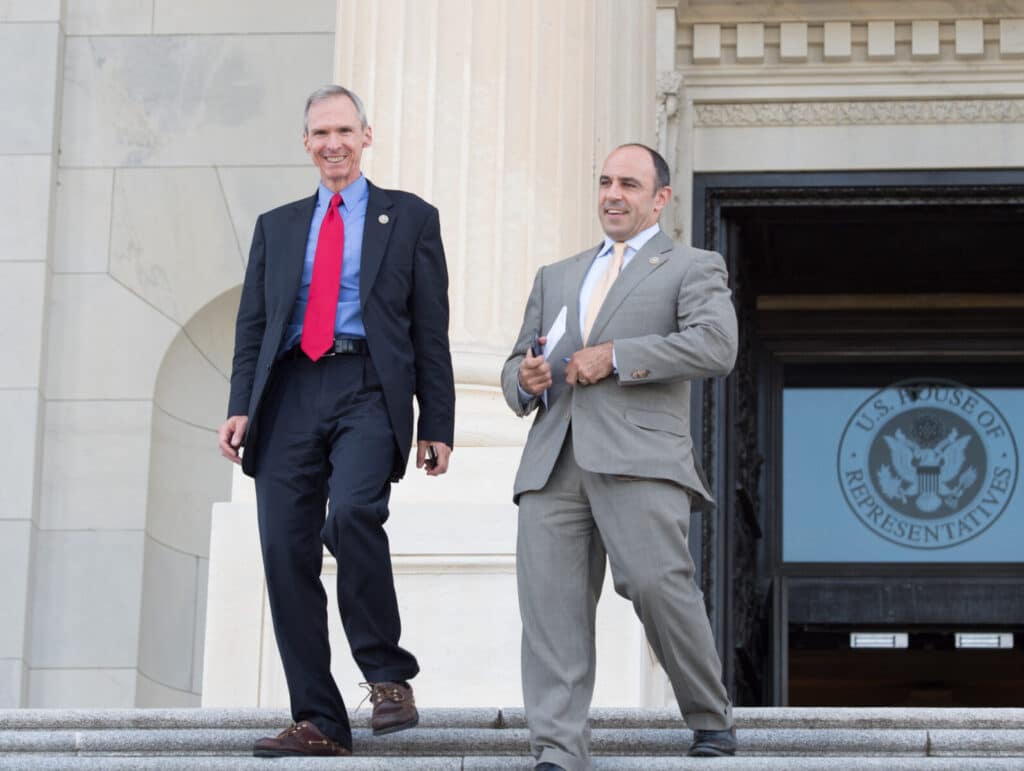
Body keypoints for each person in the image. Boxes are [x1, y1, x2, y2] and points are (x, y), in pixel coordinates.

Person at [218, 85, 455, 758]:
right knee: (284, 548)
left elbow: (429, 330)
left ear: (366, 136)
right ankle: (318, 717)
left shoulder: (408, 218)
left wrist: (436, 420)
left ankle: (386, 675)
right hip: (289, 390)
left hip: (367, 384)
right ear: (306, 144)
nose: (333, 144)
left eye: (344, 131)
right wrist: (241, 404)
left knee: (351, 513)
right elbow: (254, 326)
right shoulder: (278, 225)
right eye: (321, 133)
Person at [501, 143, 738, 770]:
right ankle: (558, 748)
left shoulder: (691, 265)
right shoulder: (558, 273)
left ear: (660, 197)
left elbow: (716, 346)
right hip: (553, 462)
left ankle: (710, 717)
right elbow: (518, 359)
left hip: (639, 457)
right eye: (605, 181)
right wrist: (521, 381)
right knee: (550, 609)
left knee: (659, 587)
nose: (613, 194)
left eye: (629, 184)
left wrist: (616, 356)